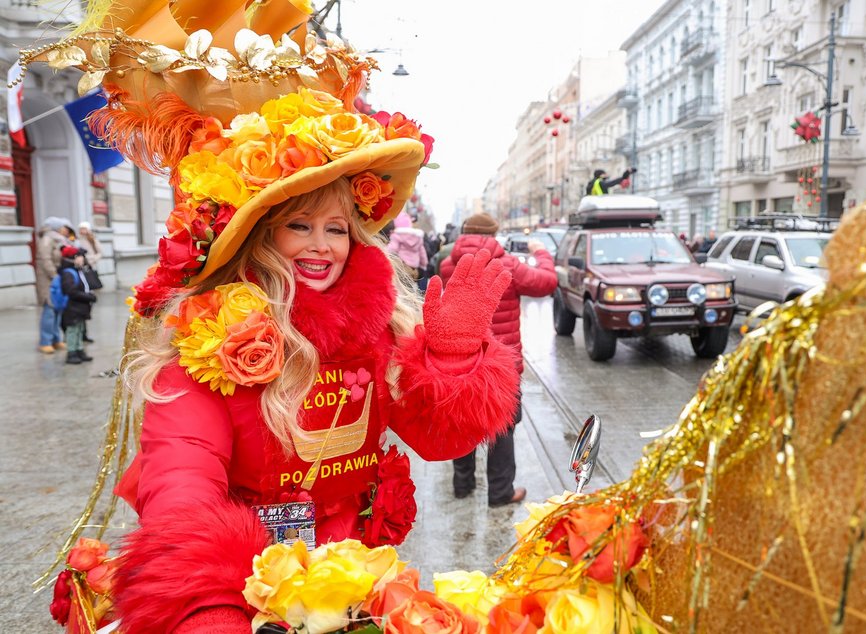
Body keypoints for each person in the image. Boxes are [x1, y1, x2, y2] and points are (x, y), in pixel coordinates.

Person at [34, 20, 523, 632]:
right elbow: (182, 482)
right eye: (299, 225)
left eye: (337, 227)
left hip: (357, 581)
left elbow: (438, 442)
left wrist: (452, 359)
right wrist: (209, 610)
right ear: (260, 235)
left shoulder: (378, 328)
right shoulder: (206, 342)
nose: (322, 246)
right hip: (244, 593)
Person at [441, 212, 557, 506]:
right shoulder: (508, 266)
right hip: (502, 366)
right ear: (494, 235)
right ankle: (501, 492)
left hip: (461, 362)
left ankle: (462, 485)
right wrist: (541, 253)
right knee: (502, 427)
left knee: (462, 423)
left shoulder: (448, 265)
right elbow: (546, 282)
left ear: (465, 233)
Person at [35, 217, 74, 353]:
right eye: (64, 227)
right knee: (49, 310)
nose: (66, 230)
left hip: (57, 278)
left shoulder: (58, 239)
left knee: (58, 309)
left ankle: (56, 339)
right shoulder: (47, 238)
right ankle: (45, 341)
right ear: (56, 227)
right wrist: (54, 274)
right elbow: (45, 259)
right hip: (48, 280)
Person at [57, 245, 96, 364]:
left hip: (80, 307)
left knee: (79, 328)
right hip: (72, 308)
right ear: (73, 258)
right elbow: (71, 291)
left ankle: (79, 350)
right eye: (80, 256)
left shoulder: (78, 270)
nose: (83, 258)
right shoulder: (68, 273)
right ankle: (71, 352)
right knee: (72, 330)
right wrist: (88, 297)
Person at [387, 210, 428, 289]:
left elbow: (392, 249)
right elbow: (422, 253)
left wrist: (383, 250)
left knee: (401, 288)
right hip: (414, 269)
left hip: (403, 267)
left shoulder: (397, 235)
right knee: (410, 288)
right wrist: (423, 265)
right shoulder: (417, 237)